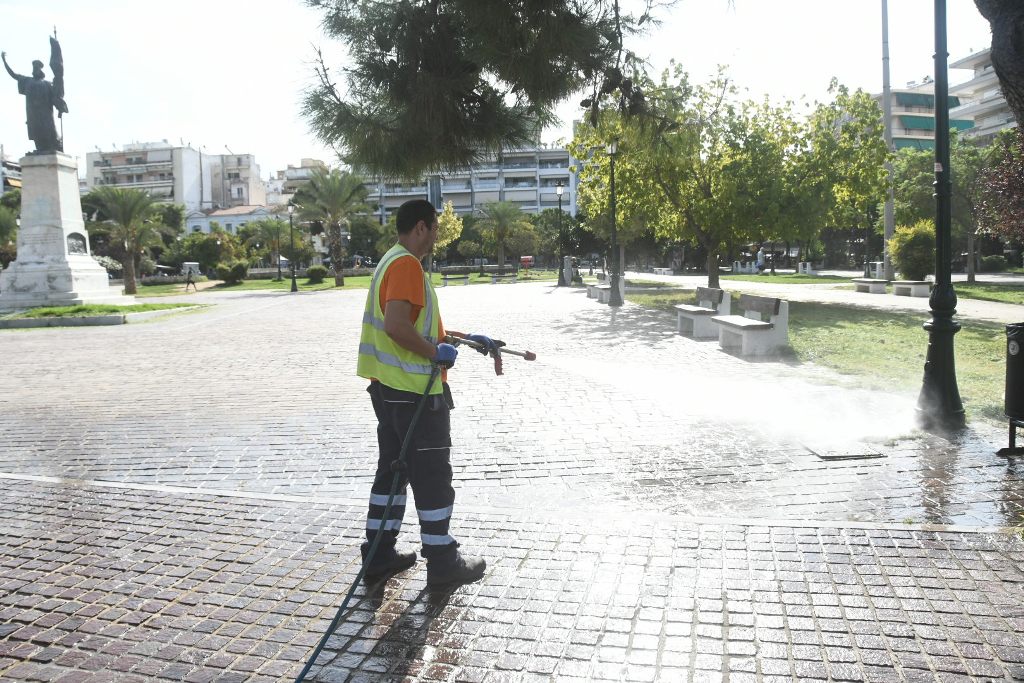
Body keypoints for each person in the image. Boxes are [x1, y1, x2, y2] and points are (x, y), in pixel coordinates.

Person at [356, 199, 495, 586]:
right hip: (415, 392)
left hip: (389, 390)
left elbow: (417, 327)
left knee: (393, 474)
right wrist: (436, 353)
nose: (436, 236)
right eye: (434, 228)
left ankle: (379, 554)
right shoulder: (405, 266)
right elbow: (398, 327)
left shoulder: (391, 261)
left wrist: (467, 339)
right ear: (421, 227)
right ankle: (443, 562)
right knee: (433, 476)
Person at [2, 38, 68, 154]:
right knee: (36, 132)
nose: (35, 70)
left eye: (37, 68)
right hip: (33, 114)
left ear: (40, 70)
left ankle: (55, 145)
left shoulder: (47, 84)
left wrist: (59, 105)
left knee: (50, 131)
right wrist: (4, 61)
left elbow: (56, 96)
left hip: (46, 114)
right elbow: (13, 74)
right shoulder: (27, 81)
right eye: (34, 68)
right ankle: (41, 149)